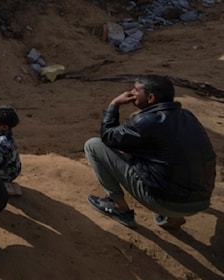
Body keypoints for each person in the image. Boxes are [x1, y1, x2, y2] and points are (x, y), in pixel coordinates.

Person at [85, 76, 216, 229]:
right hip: (202, 199)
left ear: (151, 97)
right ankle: (172, 217)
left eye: (136, 90)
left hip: (166, 201)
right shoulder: (187, 116)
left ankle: (119, 208)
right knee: (169, 161)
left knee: (93, 145)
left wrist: (114, 105)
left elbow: (108, 136)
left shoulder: (145, 122)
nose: (131, 92)